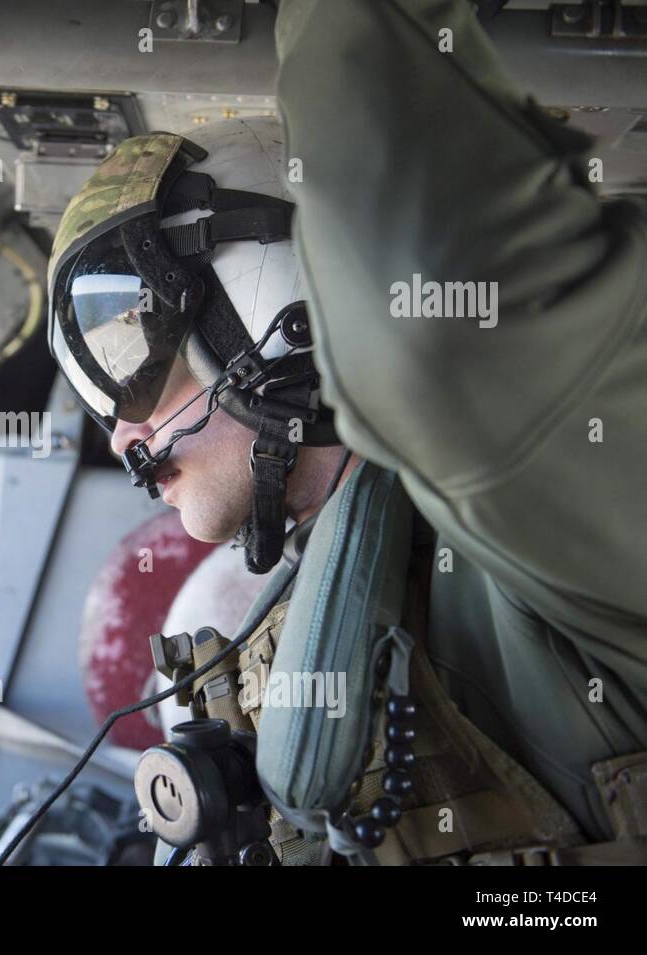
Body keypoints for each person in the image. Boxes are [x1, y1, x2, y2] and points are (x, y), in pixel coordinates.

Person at [47, 0, 646, 863]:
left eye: (142, 375)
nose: (120, 438)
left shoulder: (513, 497)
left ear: (271, 315)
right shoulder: (310, 594)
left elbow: (427, 338)